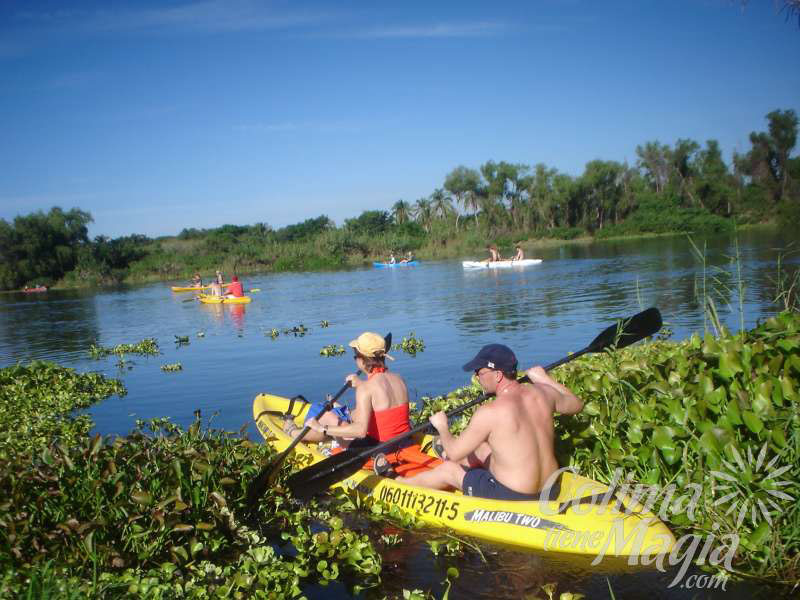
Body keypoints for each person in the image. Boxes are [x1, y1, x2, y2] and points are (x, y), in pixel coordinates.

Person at [396, 344, 583, 500]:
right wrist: (544, 379)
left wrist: (442, 426)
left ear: (498, 375)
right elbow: (576, 404)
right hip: (551, 489)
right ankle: (446, 452)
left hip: (515, 495)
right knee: (482, 449)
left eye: (479, 372)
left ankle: (399, 484)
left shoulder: (490, 412)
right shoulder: (543, 393)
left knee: (449, 469)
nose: (476, 377)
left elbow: (454, 454)